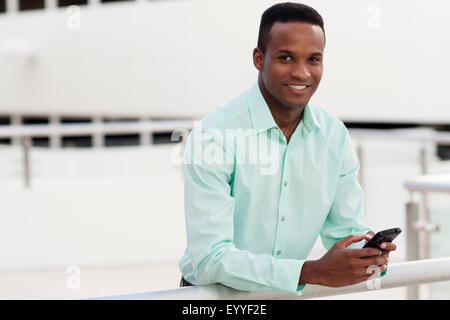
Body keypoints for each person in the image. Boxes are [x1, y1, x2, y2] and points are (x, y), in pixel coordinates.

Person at [178, 2, 396, 295]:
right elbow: (209, 258)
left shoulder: (333, 135)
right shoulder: (214, 135)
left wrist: (365, 251)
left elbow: (345, 230)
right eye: (286, 58)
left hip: (287, 293)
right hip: (214, 298)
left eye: (314, 59)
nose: (302, 73)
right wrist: (310, 271)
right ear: (259, 59)